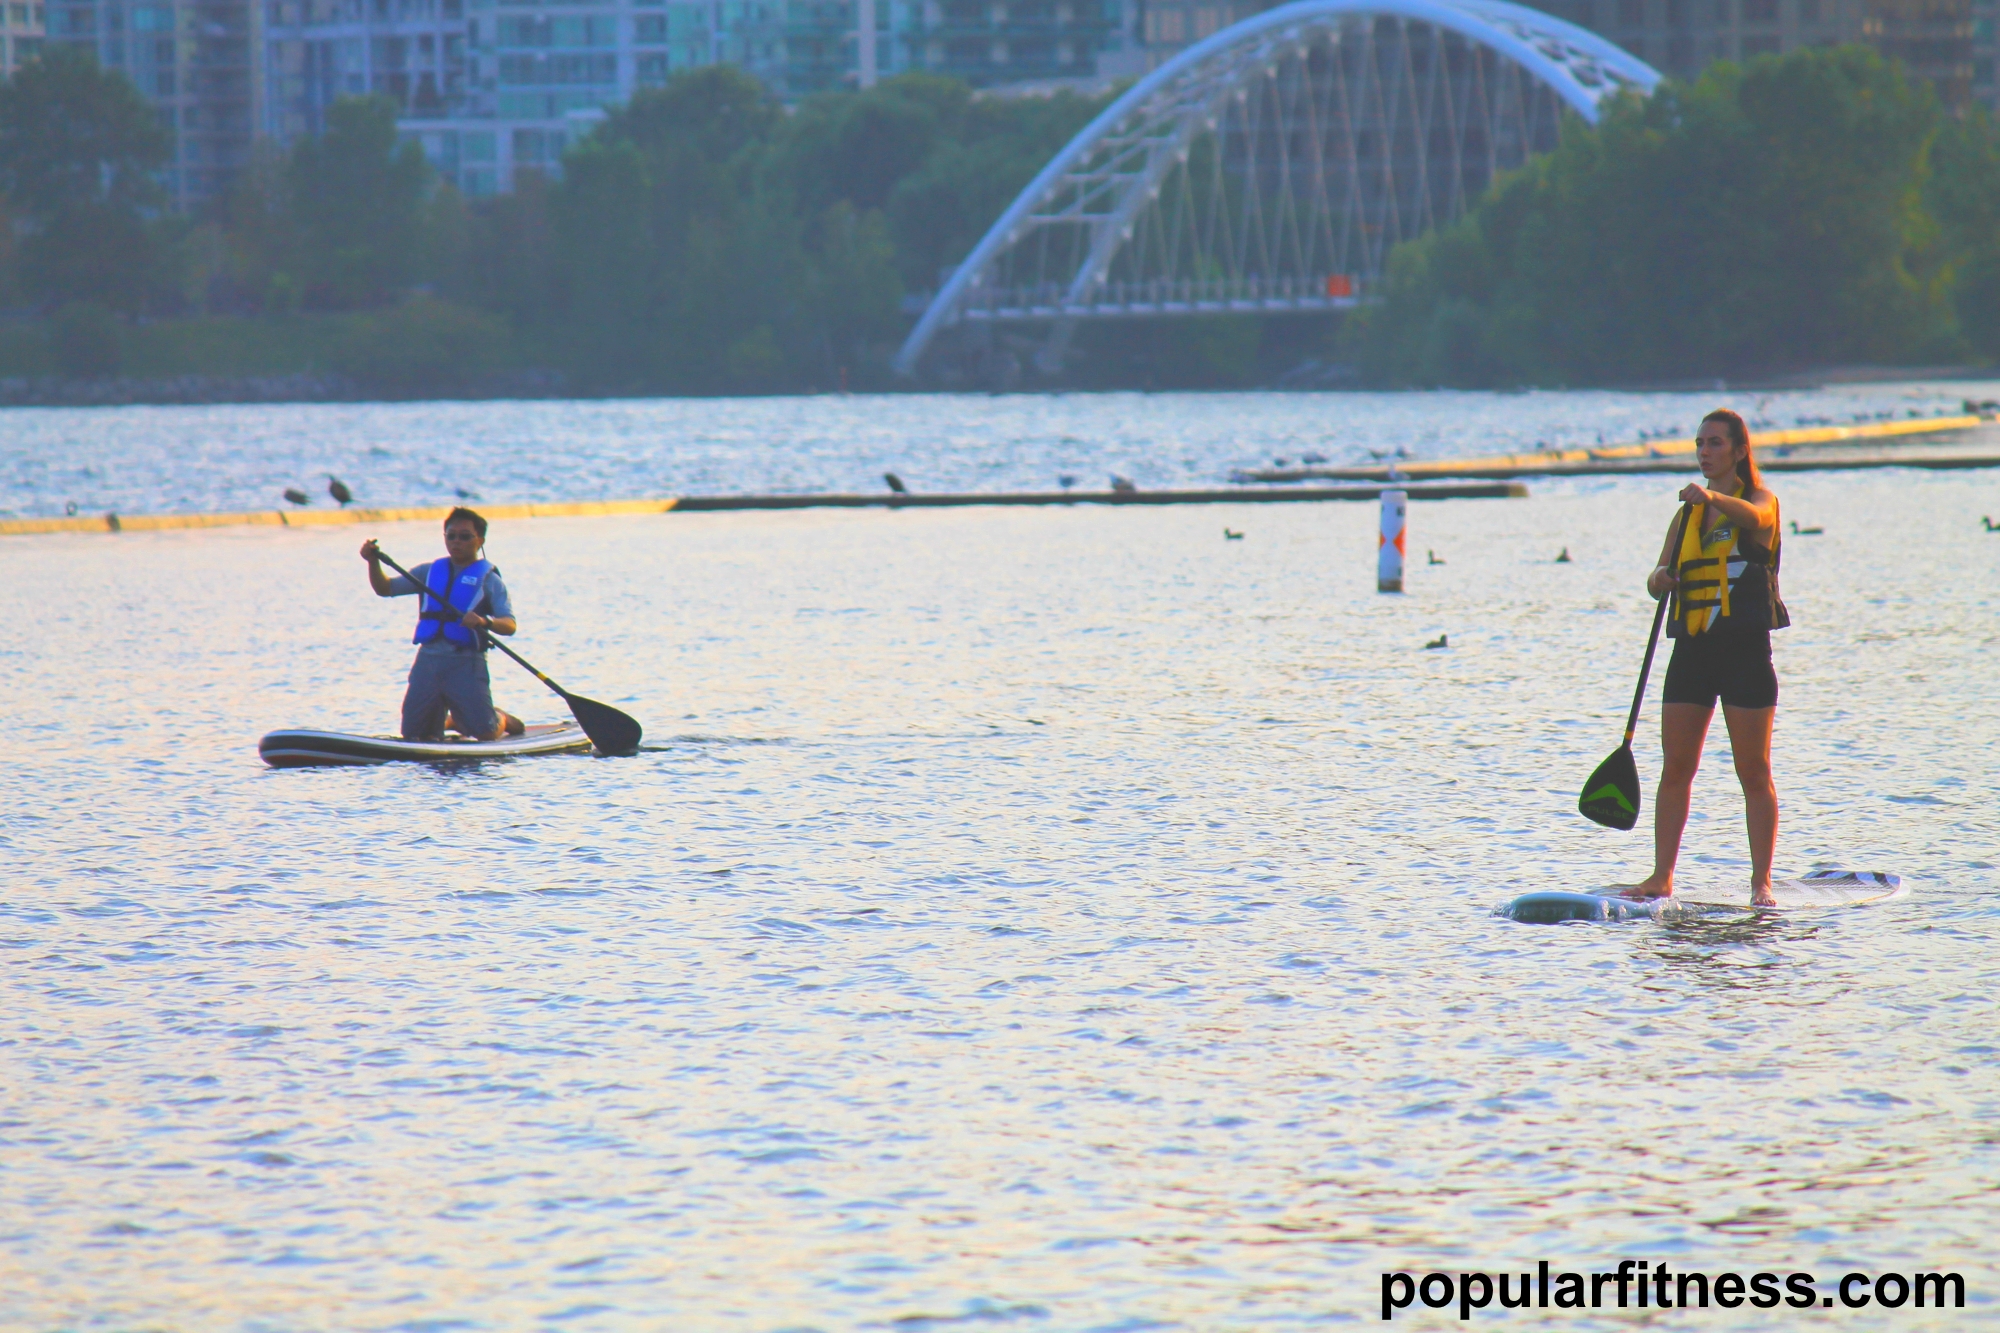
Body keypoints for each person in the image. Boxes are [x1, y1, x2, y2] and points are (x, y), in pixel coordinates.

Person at [1625, 409, 1790, 906]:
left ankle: (1761, 883)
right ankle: (1661, 876)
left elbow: (1757, 519)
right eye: (1699, 443)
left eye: (1716, 443)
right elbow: (1658, 577)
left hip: (1744, 651)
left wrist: (1714, 496)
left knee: (1753, 771)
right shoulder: (1687, 516)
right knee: (1676, 767)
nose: (1705, 451)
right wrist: (1660, 581)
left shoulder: (1760, 500)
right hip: (1693, 653)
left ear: (1740, 451)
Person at [360, 508, 526, 742]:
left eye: (465, 536)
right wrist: (373, 562)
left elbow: (509, 624)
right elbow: (385, 589)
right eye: (451, 536)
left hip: (466, 662)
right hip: (428, 660)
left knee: (485, 734)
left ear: (480, 541)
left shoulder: (490, 580)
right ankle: (449, 720)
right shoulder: (428, 572)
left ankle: (501, 719)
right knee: (413, 735)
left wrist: (483, 621)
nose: (457, 542)